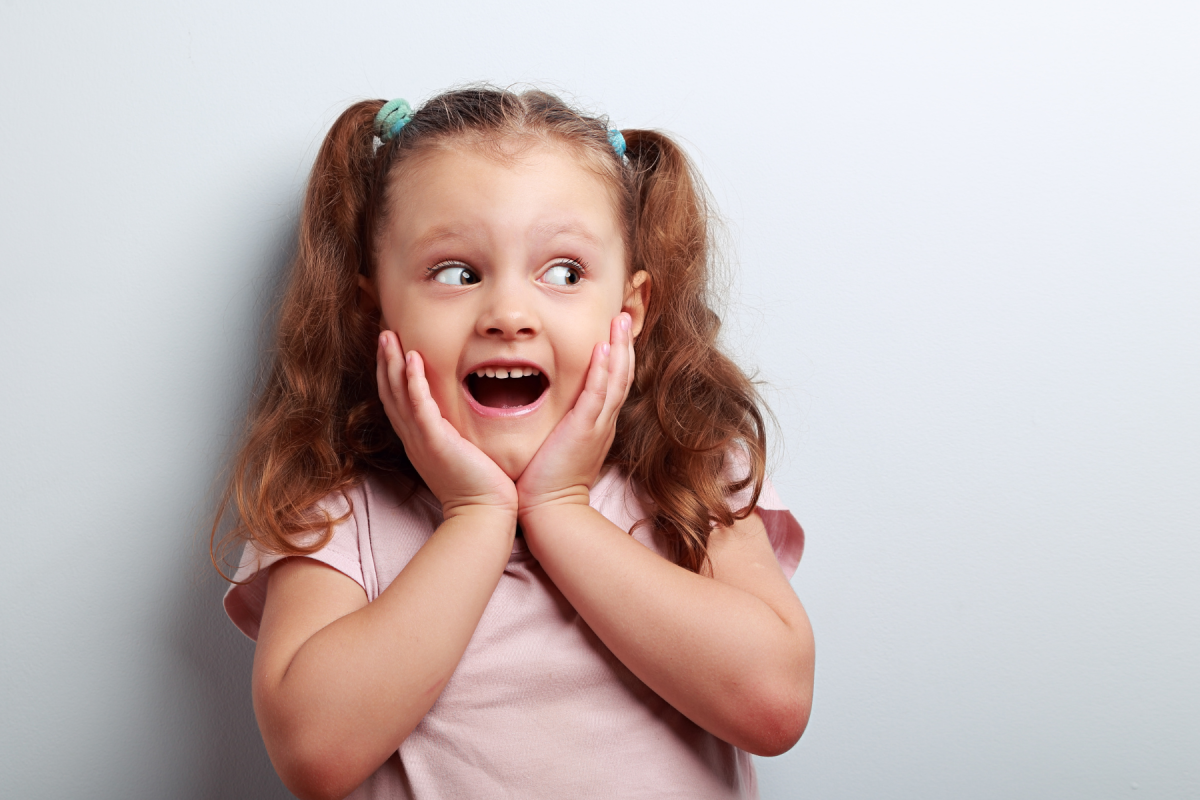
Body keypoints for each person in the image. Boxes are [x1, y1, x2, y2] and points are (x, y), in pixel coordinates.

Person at [214, 87, 814, 800]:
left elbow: (774, 704)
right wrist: (476, 517)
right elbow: (315, 753)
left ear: (629, 313)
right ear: (373, 310)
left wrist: (560, 508)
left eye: (563, 273)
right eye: (456, 273)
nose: (508, 314)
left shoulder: (686, 470)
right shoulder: (340, 507)